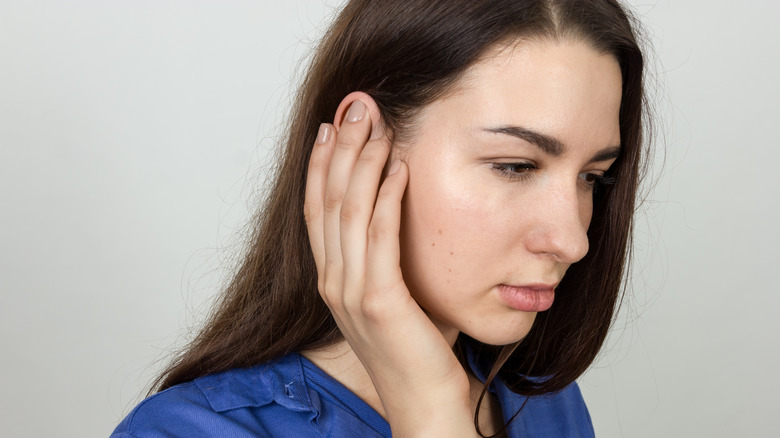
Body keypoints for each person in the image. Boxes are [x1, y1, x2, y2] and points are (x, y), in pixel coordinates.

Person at [111, 0, 649, 436]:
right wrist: (430, 406)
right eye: (515, 166)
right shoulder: (190, 432)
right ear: (361, 141)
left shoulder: (542, 402)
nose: (573, 239)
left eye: (592, 177)